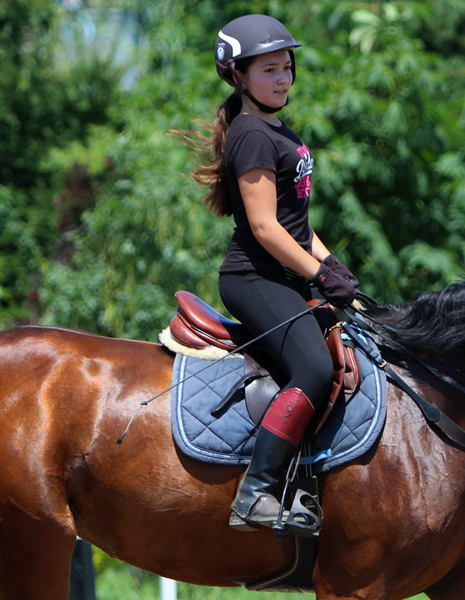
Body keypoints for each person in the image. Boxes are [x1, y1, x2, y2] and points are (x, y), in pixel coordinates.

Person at [185, 14, 359, 535]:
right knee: (313, 369)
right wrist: (319, 273)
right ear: (238, 75)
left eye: (286, 67)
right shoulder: (252, 134)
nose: (282, 78)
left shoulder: (280, 129)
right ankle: (257, 491)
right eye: (269, 70)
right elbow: (264, 228)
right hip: (256, 277)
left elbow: (296, 224)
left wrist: (330, 267)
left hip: (288, 273)